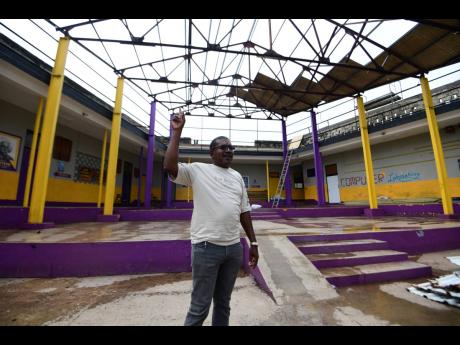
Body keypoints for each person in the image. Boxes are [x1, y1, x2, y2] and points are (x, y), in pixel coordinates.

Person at [164, 110, 259, 326]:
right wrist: (176, 132)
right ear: (211, 153)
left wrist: (253, 243)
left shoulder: (236, 177)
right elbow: (170, 167)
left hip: (233, 249)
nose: (228, 150)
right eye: (223, 147)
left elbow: (244, 211)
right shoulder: (198, 170)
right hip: (206, 249)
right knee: (200, 308)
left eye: (231, 148)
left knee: (223, 304)